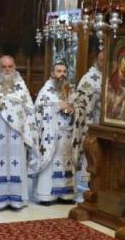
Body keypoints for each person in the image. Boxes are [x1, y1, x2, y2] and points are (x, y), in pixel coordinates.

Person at [0, 55, 36, 210]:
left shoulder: (21, 86)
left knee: (16, 163)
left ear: (14, 67)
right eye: (4, 67)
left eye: (10, 66)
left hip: (16, 133)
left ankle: (16, 199)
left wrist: (29, 131)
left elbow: (29, 109)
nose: (7, 70)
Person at [32, 62, 78, 203]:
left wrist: (74, 110)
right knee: (50, 164)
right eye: (59, 71)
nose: (62, 74)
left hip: (67, 135)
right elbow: (38, 109)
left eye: (64, 71)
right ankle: (46, 195)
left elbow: (79, 107)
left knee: (66, 163)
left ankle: (66, 195)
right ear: (52, 73)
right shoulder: (46, 91)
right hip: (51, 136)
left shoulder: (70, 90)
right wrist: (57, 106)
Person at [73, 49, 104, 198]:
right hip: (91, 124)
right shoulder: (89, 78)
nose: (104, 63)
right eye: (102, 60)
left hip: (105, 126)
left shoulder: (111, 76)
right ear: (97, 60)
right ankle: (85, 189)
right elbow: (82, 104)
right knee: (90, 156)